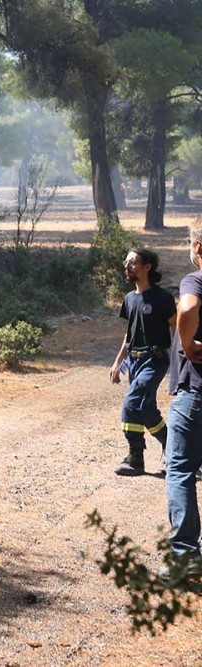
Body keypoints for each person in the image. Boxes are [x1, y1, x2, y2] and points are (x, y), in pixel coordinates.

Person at [108, 248, 176, 476]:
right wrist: (118, 362)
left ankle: (135, 456)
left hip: (155, 360)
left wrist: (180, 361)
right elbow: (129, 335)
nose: (127, 265)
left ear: (147, 266)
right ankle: (171, 447)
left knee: (131, 403)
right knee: (145, 409)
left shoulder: (162, 298)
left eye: (133, 262)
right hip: (134, 362)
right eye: (126, 261)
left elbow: (176, 328)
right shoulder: (129, 299)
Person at [167, 219, 202, 561]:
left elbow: (189, 307)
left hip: (196, 393)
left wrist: (188, 344)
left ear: (199, 248)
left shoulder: (195, 280)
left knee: (179, 469)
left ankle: (186, 556)